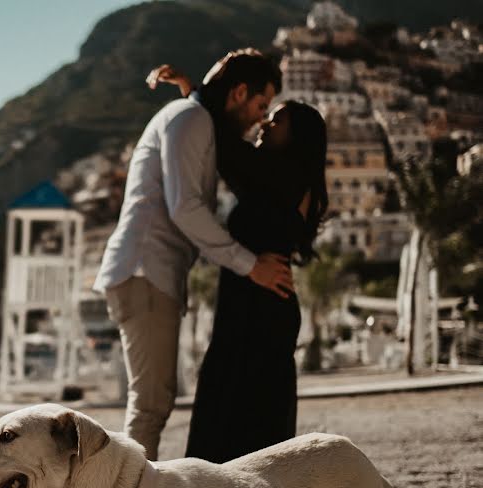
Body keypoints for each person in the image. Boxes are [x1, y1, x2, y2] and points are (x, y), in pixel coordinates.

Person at [93, 49, 294, 461]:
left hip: (151, 274)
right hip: (144, 271)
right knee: (150, 405)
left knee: (153, 403)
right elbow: (184, 207)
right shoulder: (190, 118)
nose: (261, 117)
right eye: (260, 105)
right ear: (239, 92)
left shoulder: (194, 117)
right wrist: (250, 265)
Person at [149, 63, 329, 463]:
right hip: (256, 301)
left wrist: (195, 93)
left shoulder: (275, 174)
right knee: (242, 409)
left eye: (276, 119)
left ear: (296, 136)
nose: (265, 122)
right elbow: (225, 143)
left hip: (260, 306)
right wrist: (193, 92)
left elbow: (224, 143)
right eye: (266, 112)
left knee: (238, 409)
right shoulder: (283, 178)